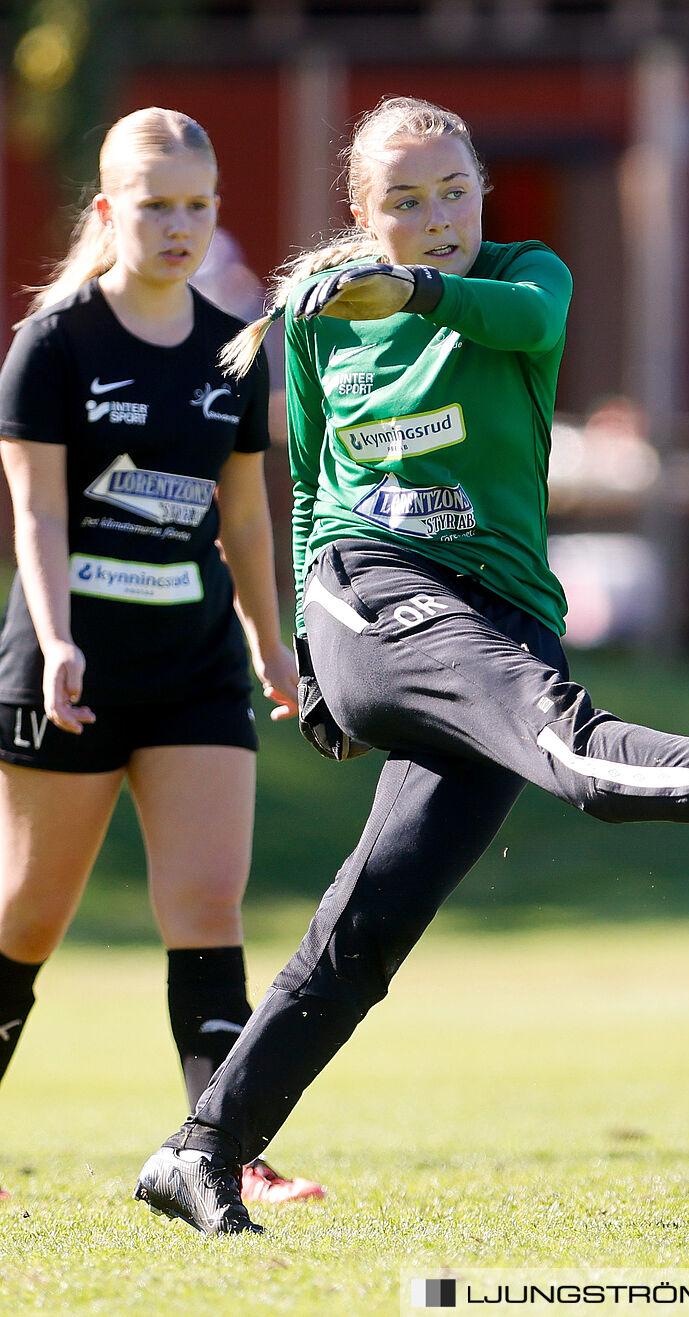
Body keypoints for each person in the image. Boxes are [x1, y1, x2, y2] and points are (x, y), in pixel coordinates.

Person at [132, 97, 689, 1235]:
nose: (436, 219)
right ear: (361, 212)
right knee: (563, 741)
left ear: (482, 187)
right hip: (370, 592)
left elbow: (521, 325)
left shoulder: (531, 276)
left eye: (452, 192)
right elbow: (320, 482)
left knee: (366, 933)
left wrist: (419, 292)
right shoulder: (325, 317)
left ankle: (200, 1151)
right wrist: (310, 663)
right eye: (405, 202)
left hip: (499, 623)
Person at [0, 108, 323, 1206]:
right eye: (155, 206)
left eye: (198, 205)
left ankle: (220, 1154)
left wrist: (272, 648)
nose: (179, 225)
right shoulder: (54, 345)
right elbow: (37, 517)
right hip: (70, 671)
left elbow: (244, 521)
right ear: (108, 213)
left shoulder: (231, 347)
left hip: (194, 671)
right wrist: (52, 641)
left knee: (206, 909)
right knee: (28, 917)